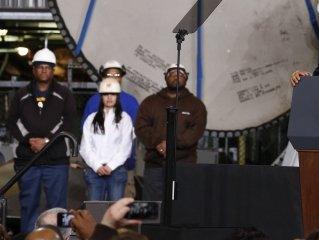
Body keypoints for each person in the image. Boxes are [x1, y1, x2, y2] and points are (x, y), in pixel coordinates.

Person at [8, 48, 77, 234]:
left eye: (48, 67)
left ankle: (58, 237)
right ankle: (29, 238)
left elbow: (69, 121)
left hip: (55, 162)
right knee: (28, 207)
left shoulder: (64, 94)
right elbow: (12, 122)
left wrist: (47, 141)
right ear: (34, 70)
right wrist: (30, 140)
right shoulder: (21, 95)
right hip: (28, 162)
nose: (44, 70)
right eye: (40, 67)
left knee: (57, 210)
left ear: (53, 70)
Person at [135, 64, 207, 201]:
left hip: (184, 167)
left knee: (183, 208)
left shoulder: (196, 105)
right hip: (155, 166)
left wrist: (172, 143)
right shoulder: (150, 102)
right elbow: (141, 127)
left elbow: (196, 131)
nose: (177, 76)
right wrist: (158, 143)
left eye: (181, 74)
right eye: (173, 73)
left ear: (186, 79)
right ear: (165, 77)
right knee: (152, 210)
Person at [81, 61, 139, 196]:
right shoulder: (91, 114)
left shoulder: (129, 108)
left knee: (117, 210)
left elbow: (128, 143)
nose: (109, 97)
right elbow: (85, 145)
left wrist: (111, 166)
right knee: (95, 212)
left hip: (121, 167)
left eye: (117, 73)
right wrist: (96, 166)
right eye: (109, 73)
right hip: (94, 169)